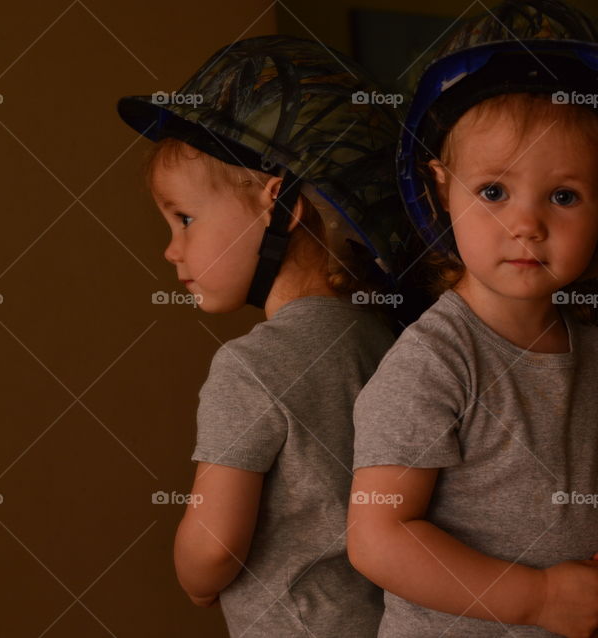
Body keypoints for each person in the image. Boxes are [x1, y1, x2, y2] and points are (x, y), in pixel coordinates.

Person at [347, 2, 598, 637]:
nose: (526, 224)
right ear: (441, 190)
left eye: (563, 195)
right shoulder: (434, 362)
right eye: (494, 192)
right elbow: (377, 537)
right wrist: (533, 599)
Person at [117, 34, 419, 637]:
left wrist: (193, 577)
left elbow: (212, 549)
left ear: (276, 204)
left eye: (185, 218)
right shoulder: (393, 341)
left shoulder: (250, 368)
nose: (171, 249)